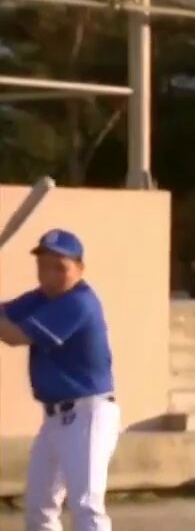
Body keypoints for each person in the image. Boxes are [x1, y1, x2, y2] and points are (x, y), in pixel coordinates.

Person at [0, 228, 120, 531]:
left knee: (86, 506)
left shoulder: (79, 302)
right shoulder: (40, 298)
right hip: (55, 418)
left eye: (60, 267)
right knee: (39, 508)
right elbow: (5, 313)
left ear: (80, 268)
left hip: (88, 414)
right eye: (43, 266)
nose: (49, 275)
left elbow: (14, 335)